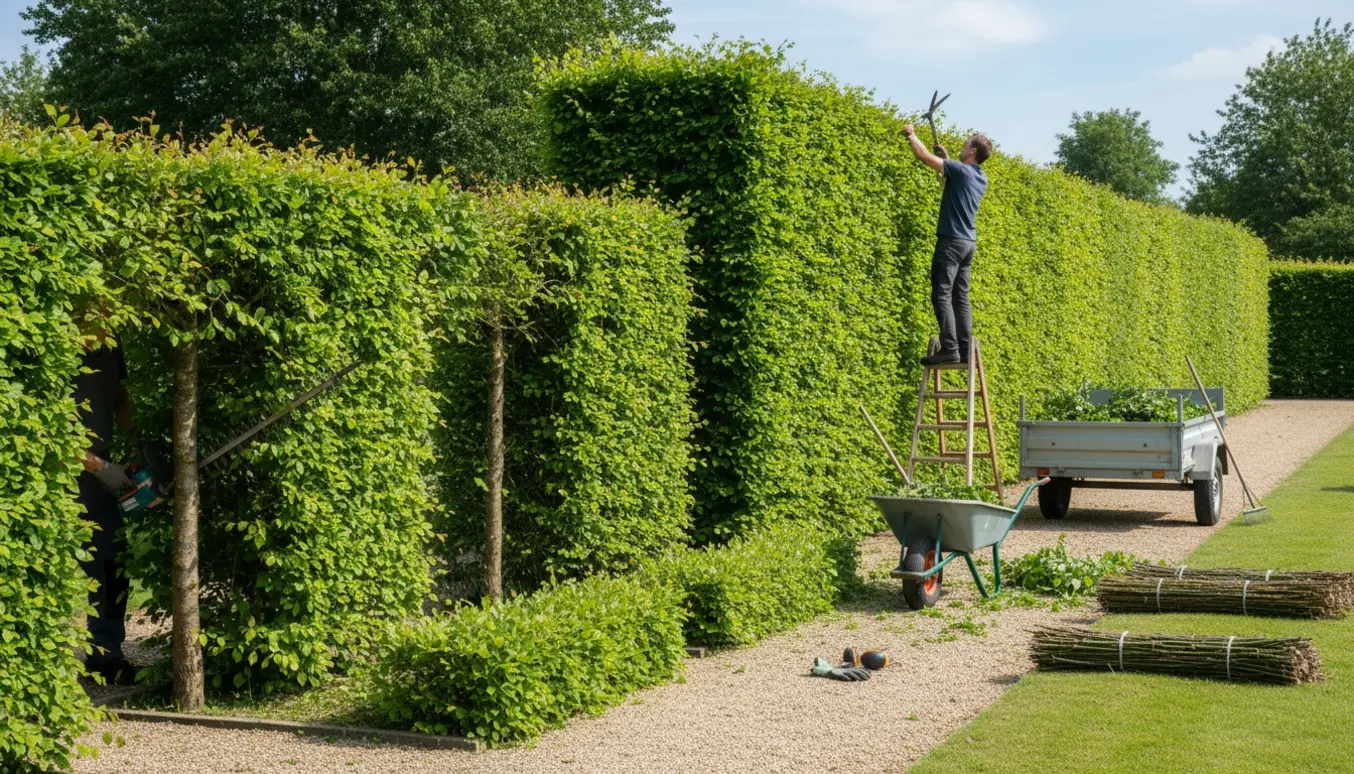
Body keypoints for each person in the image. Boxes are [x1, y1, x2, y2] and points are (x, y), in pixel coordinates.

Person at [73, 306, 137, 684]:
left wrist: (137, 443)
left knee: (113, 563)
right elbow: (46, 425)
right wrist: (99, 466)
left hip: (102, 477)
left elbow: (120, 399)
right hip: (63, 473)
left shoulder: (112, 348)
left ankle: (105, 653)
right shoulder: (60, 351)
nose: (106, 322)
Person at [902, 124, 994, 365]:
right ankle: (964, 350)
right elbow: (954, 179)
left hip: (951, 242)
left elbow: (923, 156)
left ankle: (950, 349)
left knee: (941, 294)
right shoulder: (980, 178)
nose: (962, 148)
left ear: (973, 151)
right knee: (960, 297)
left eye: (965, 145)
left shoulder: (960, 171)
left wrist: (912, 135)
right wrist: (947, 159)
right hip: (968, 243)